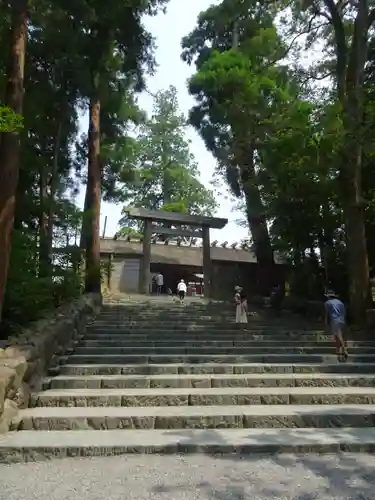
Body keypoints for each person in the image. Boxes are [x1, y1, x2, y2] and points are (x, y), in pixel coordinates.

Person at [324, 290, 348, 361]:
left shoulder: (327, 303)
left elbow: (326, 313)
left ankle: (344, 349)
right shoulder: (340, 302)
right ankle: (338, 350)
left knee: (338, 335)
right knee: (338, 335)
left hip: (334, 320)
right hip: (342, 319)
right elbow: (344, 311)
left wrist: (325, 322)